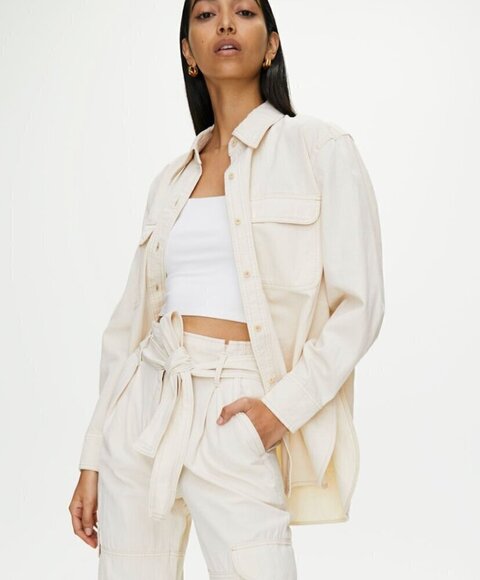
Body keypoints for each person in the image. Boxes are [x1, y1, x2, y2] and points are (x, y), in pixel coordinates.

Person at [68, 0, 385, 578]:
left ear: (271, 44)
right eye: (206, 15)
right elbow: (128, 327)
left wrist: (276, 413)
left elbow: (359, 308)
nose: (225, 24)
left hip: (237, 405)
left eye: (243, 11)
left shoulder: (318, 149)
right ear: (189, 53)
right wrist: (94, 454)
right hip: (144, 405)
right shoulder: (170, 181)